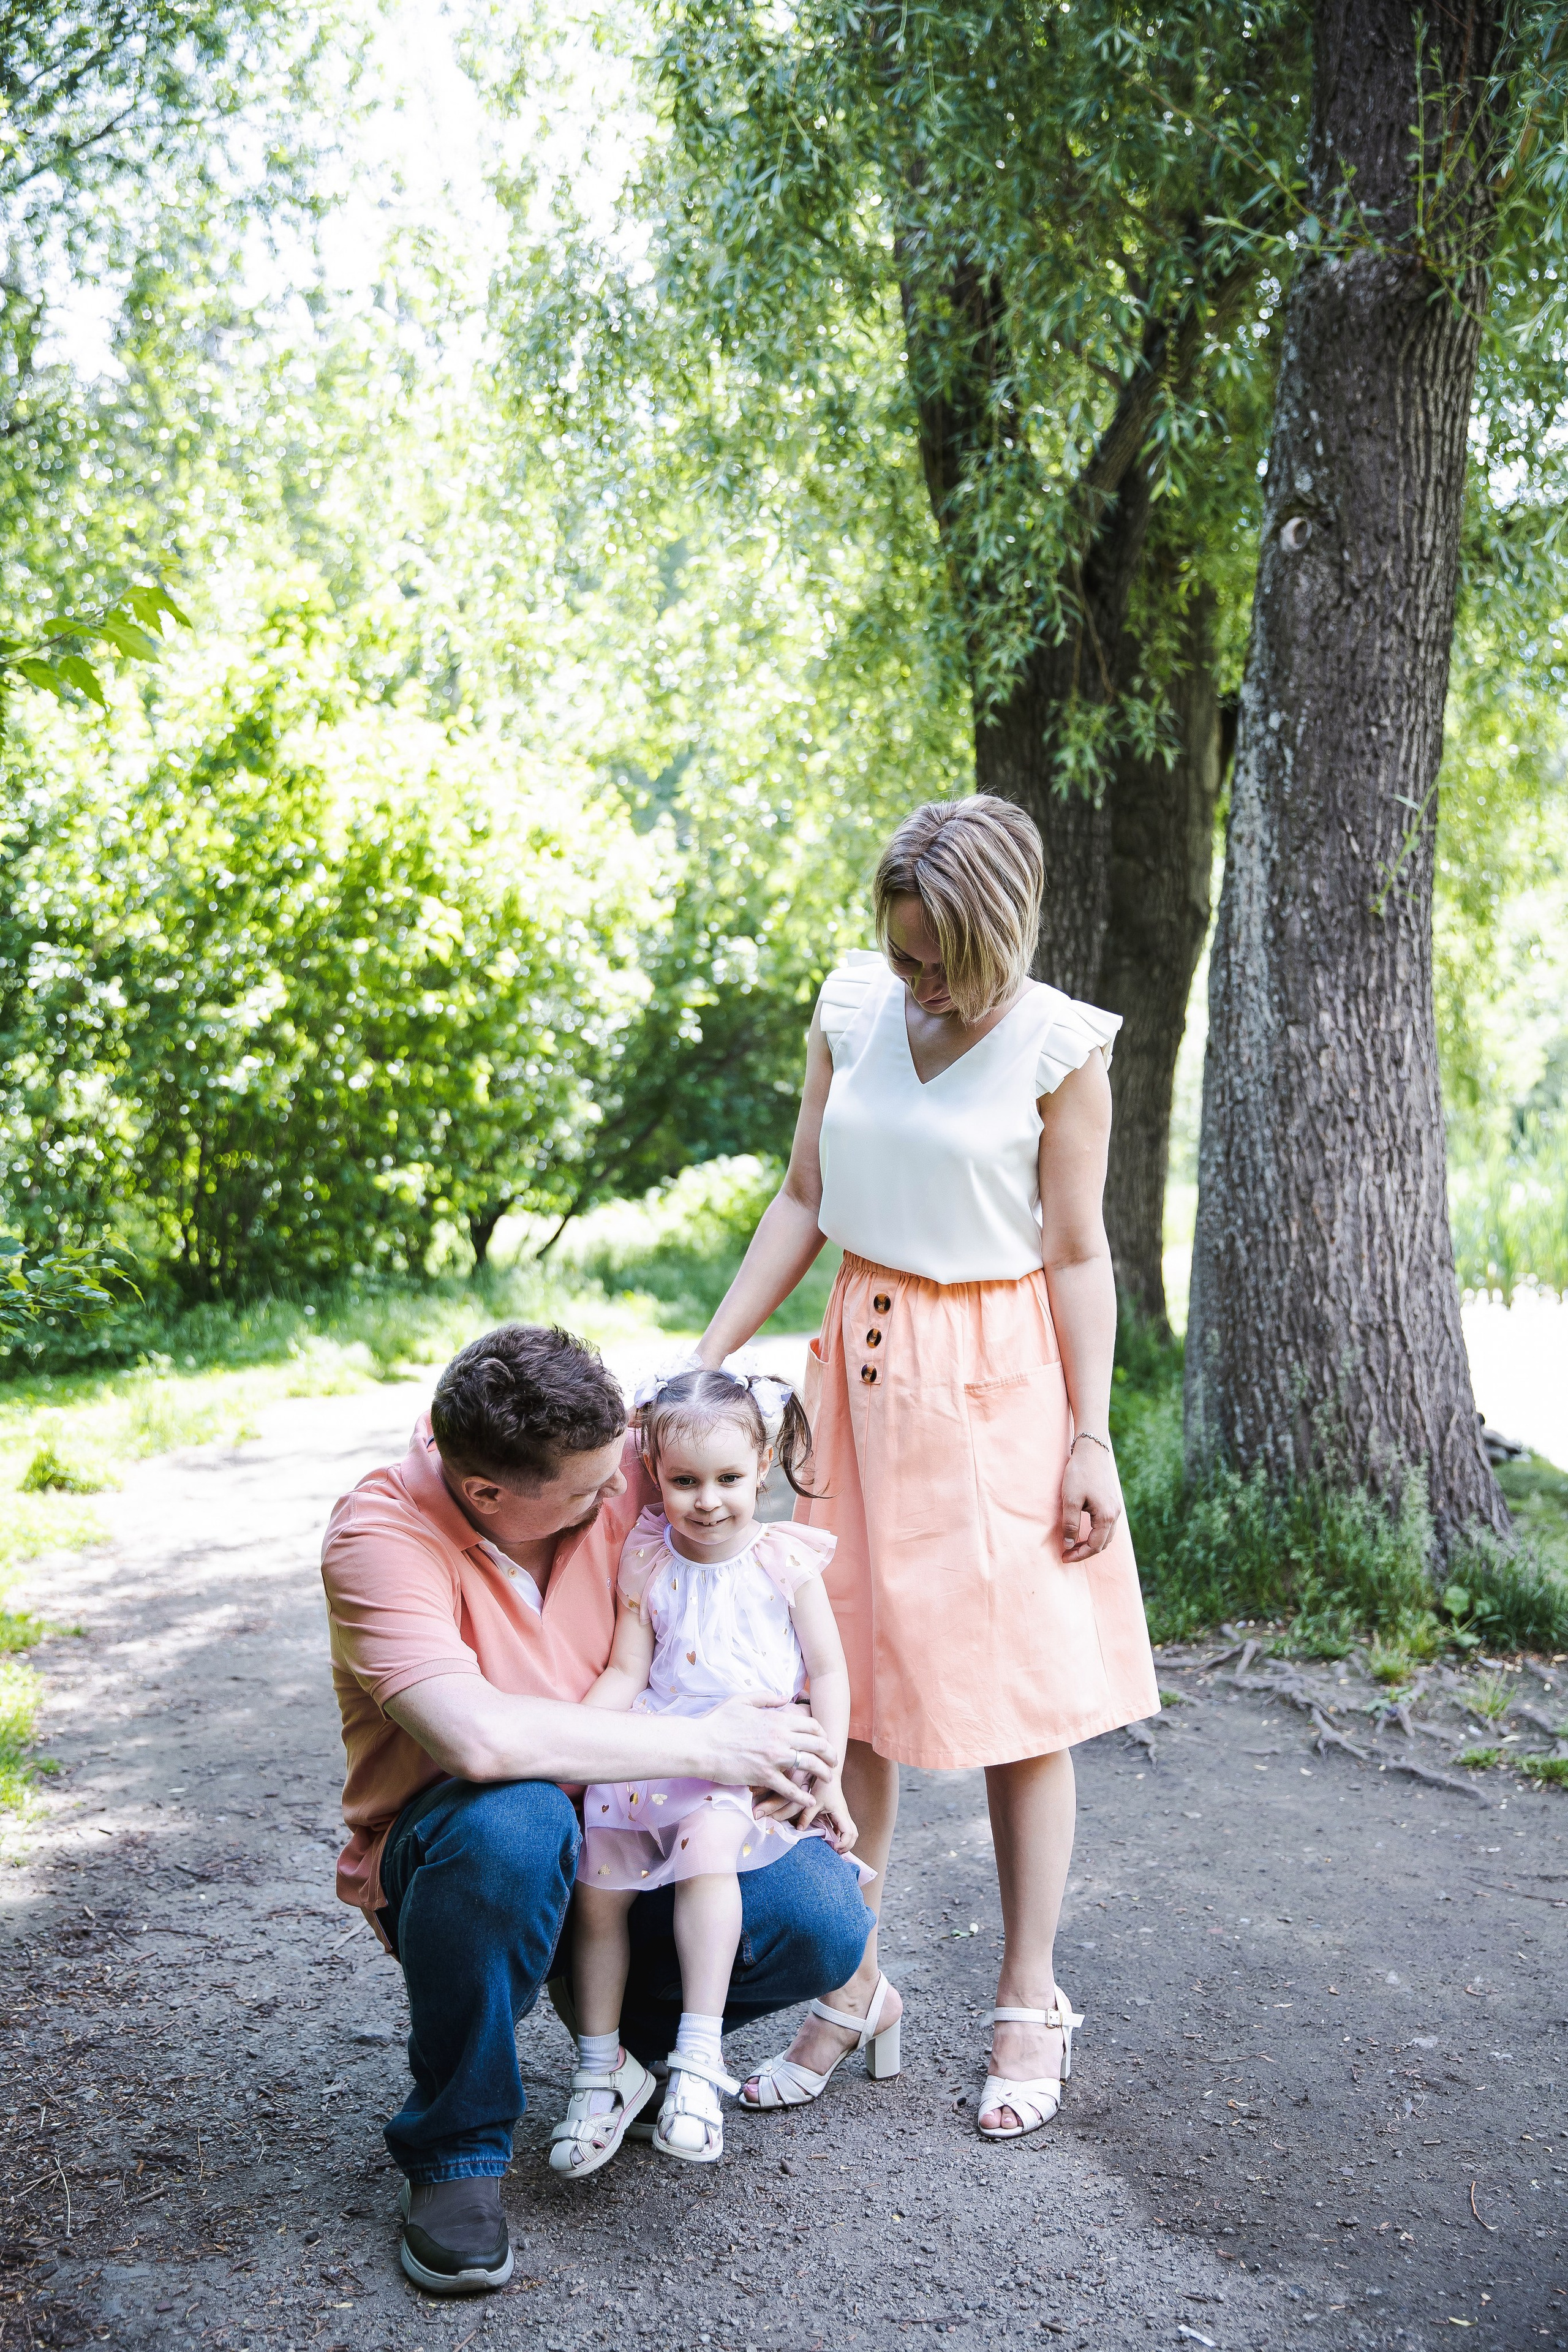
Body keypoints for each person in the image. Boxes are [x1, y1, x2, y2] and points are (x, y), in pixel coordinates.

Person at [693, 794, 1160, 2141]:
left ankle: (1028, 1997)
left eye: (943, 958)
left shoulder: (1058, 1050)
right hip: (857, 1361)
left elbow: (1077, 1253)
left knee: (1020, 1704)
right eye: (904, 954)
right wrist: (711, 1359)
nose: (921, 983)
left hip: (998, 1379)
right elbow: (802, 1199)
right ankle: (854, 1984)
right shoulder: (848, 1011)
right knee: (847, 1693)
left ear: (999, 929)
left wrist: (1089, 1435)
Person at [318, 1324, 870, 2297]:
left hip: (646, 1824)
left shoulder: (615, 1464)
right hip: (466, 1855)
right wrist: (713, 1744)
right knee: (516, 1817)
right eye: (593, 1489)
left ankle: (629, 2047)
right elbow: (481, 1742)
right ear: (491, 1495)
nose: (628, 1493)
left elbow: (734, 1494)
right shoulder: (379, 1540)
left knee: (824, 1918)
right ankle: (458, 2152)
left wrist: (795, 1755)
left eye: (625, 1464)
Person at [552, 1366, 875, 2177]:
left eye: (729, 1478)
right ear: (653, 1475)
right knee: (598, 1894)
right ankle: (600, 2067)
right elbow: (630, 1668)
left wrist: (827, 1770)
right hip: (659, 1747)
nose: (707, 1500)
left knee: (706, 1868)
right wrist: (580, 1742)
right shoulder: (649, 1557)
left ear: (763, 1466)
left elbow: (829, 1674)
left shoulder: (783, 1561)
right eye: (684, 1480)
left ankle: (697, 2061)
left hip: (747, 1757)